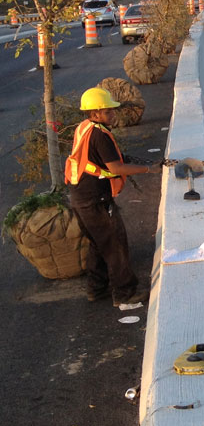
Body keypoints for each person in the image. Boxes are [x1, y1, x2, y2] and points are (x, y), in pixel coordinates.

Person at [65, 87, 155, 307]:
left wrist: (128, 159)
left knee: (98, 243)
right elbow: (115, 167)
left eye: (112, 110)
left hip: (79, 198)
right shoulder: (101, 135)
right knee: (115, 244)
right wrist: (149, 169)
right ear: (95, 113)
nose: (113, 114)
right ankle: (125, 293)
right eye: (107, 111)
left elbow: (101, 157)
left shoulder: (84, 127)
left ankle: (96, 289)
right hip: (96, 200)